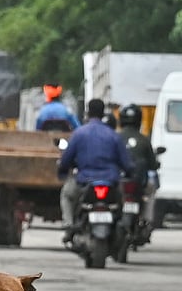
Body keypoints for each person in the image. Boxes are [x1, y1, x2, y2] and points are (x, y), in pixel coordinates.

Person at [56, 98, 134, 243]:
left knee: (67, 195)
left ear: (87, 112)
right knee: (123, 202)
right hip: (111, 182)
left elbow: (66, 158)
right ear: (103, 112)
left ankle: (69, 225)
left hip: (84, 182)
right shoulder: (113, 135)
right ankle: (123, 229)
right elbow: (126, 162)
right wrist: (129, 172)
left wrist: (62, 170)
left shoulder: (79, 134)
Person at [118, 102, 160, 239]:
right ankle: (147, 220)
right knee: (151, 190)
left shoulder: (115, 138)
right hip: (139, 183)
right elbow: (153, 164)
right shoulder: (144, 140)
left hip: (119, 182)